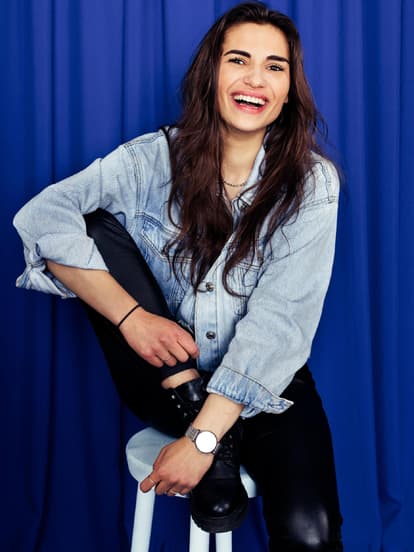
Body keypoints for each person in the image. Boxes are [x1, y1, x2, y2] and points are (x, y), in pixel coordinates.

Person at [13, 2, 343, 550]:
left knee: (312, 533)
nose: (255, 79)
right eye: (238, 60)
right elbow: (41, 217)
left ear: (288, 91)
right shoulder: (152, 159)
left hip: (265, 381)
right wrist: (132, 318)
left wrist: (203, 439)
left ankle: (216, 439)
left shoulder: (312, 184)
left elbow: (280, 324)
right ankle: (199, 413)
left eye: (274, 67)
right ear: (211, 73)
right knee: (91, 224)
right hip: (161, 378)